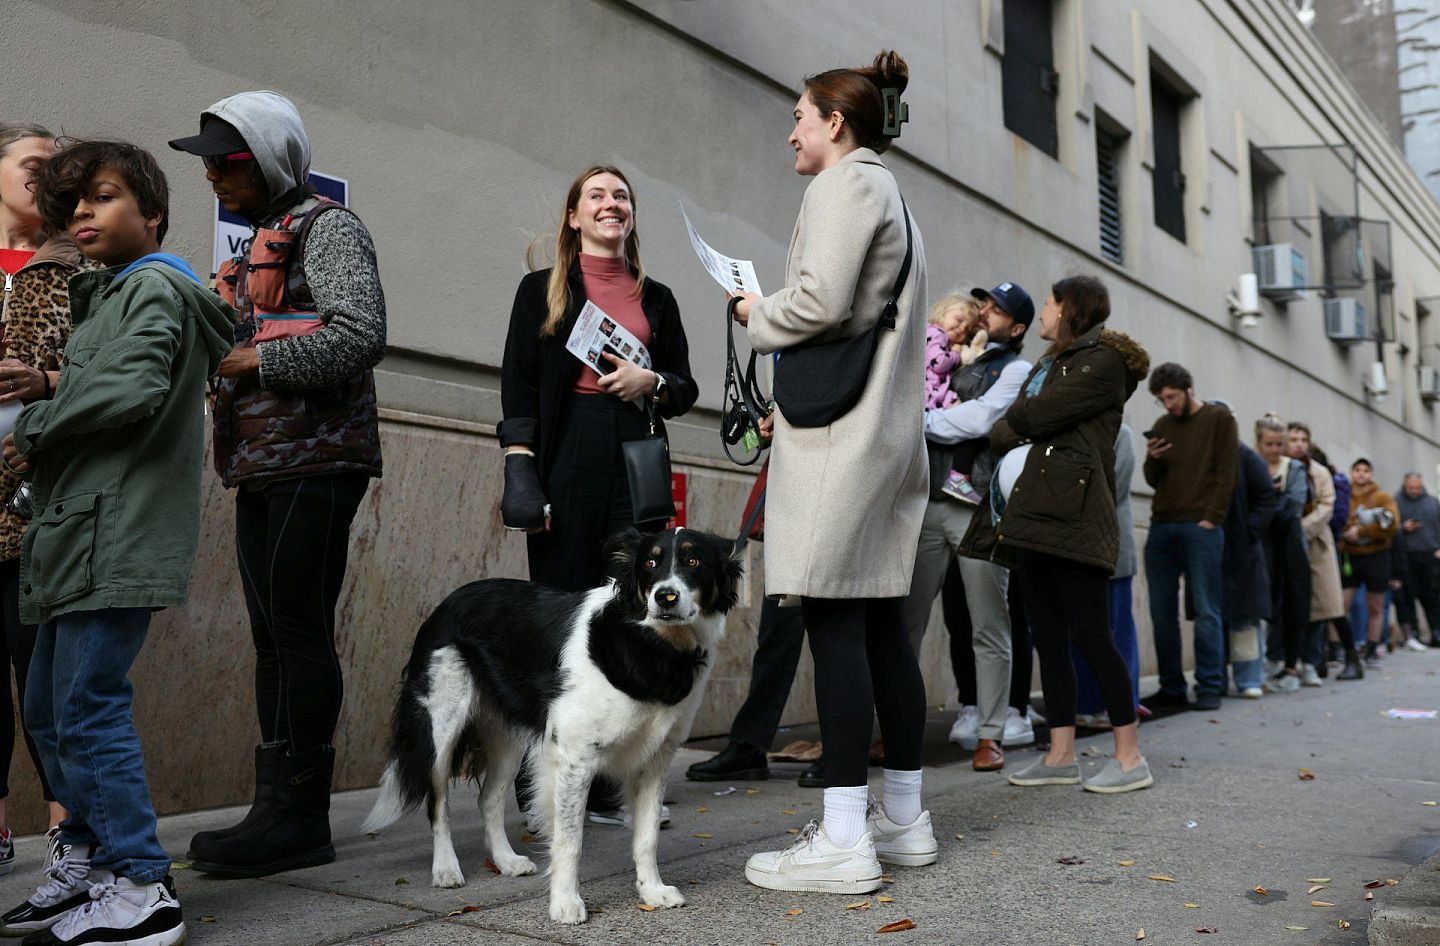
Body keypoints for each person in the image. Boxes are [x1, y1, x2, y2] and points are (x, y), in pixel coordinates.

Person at [0, 138, 233, 946]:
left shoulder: (156, 287)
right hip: (81, 534)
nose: (82, 215)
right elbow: (118, 375)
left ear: (153, 213)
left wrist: (34, 420)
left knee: (87, 708)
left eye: (101, 197)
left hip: (116, 535)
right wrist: (56, 382)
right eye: (72, 206)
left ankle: (143, 885)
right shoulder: (113, 295)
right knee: (48, 708)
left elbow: (134, 386)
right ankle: (97, 862)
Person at [730, 50, 934, 894]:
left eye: (800, 119)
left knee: (834, 624)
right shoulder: (893, 194)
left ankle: (846, 836)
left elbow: (817, 302)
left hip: (842, 445)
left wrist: (752, 311)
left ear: (836, 123)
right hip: (879, 435)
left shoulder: (846, 184)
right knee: (882, 629)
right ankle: (903, 817)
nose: (792, 135)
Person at [168, 91, 387, 877]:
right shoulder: (260, 239)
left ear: (268, 158)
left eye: (227, 162)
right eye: (207, 164)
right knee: (272, 637)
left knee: (297, 630)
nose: (214, 178)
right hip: (264, 462)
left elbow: (361, 334)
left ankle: (299, 818)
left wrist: (252, 358)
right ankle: (276, 809)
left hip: (317, 461)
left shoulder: (327, 228)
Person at [499, 165, 697, 823]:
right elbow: (519, 384)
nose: (612, 203)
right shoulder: (542, 290)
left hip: (634, 455)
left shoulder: (657, 297)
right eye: (597, 195)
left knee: (630, 615)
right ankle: (546, 780)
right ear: (574, 217)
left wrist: (653, 381)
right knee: (559, 612)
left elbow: (686, 387)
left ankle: (615, 785)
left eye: (622, 195)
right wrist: (521, 468)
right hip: (566, 453)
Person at [961, 275, 1153, 793]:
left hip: (1076, 514)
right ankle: (1060, 755)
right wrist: (1020, 421)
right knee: (1047, 636)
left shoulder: (1104, 362)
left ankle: (1130, 757)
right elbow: (1007, 426)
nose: (1044, 311)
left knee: (1091, 635)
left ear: (1070, 309)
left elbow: (1030, 413)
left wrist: (1022, 420)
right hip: (1032, 513)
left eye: (1049, 302)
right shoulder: (1049, 364)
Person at [910, 281, 1035, 772]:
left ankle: (990, 733)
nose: (984, 311)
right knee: (905, 624)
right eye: (984, 303)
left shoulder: (1016, 368)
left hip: (977, 507)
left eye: (997, 309)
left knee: (989, 623)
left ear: (1017, 326)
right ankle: (898, 731)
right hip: (924, 501)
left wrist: (919, 420)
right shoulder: (949, 349)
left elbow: (980, 420)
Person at [0, 123, 79, 873]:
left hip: (39, 502)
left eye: (60, 168)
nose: (47, 176)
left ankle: (68, 828)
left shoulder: (75, 267)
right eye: (32, 163)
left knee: (47, 680)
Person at [1142, 363, 1238, 712]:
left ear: (1188, 388)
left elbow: (1228, 471)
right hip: (1162, 524)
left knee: (1206, 608)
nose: (1168, 405)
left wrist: (1212, 519)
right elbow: (1153, 480)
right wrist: (1153, 459)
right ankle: (1172, 687)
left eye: (1171, 396)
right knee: (1161, 610)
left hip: (1201, 526)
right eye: (1161, 399)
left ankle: (1210, 684)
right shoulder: (1163, 426)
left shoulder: (1218, 419)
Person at [1073, 424, 1143, 724]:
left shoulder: (1122, 433)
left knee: (1116, 630)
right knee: (1082, 633)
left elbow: (1114, 489)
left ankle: (1120, 707)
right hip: (1078, 548)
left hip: (1112, 546)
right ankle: (1086, 704)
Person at [1286, 423, 1357, 678]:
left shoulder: (1319, 472)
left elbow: (1327, 506)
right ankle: (1307, 663)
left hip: (1318, 543)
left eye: (1303, 439)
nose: (1298, 444)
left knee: (1331, 605)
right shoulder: (1279, 468)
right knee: (1299, 607)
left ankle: (1352, 658)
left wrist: (1300, 530)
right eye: (1293, 438)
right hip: (1287, 545)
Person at [1254, 414, 1311, 690]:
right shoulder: (1252, 466)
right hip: (1261, 545)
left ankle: (1291, 665)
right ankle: (1265, 664)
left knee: (1292, 603)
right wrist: (1273, 499)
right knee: (1264, 604)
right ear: (1259, 443)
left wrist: (1267, 502)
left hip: (1290, 547)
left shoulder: (1295, 469)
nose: (1276, 450)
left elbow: (1293, 508)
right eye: (1270, 444)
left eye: (1280, 444)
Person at [1220, 435, 1279, 698]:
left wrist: (1248, 532)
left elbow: (1266, 498)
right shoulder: (1200, 453)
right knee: (1213, 614)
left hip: (1242, 548)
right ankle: (1215, 678)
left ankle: (1248, 678)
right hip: (1214, 545)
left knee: (1245, 617)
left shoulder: (1247, 458)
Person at [923, 293, 986, 503]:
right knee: (972, 425)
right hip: (929, 399)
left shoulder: (943, 339)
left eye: (966, 330)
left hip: (937, 397)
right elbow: (938, 363)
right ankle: (958, 476)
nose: (961, 329)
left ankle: (958, 476)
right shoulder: (935, 332)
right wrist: (960, 357)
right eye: (959, 321)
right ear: (943, 311)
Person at [1339, 458, 1400, 667]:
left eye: (1365, 470)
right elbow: (1338, 519)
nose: (1361, 474)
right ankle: (1337, 648)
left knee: (1376, 606)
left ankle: (1372, 649)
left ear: (1371, 474)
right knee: (1340, 604)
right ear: (1352, 473)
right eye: (1357, 470)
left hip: (1376, 556)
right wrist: (1347, 533)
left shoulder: (1382, 497)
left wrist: (1363, 531)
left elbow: (1392, 525)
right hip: (1350, 556)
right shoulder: (1344, 496)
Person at [1392, 472, 1440, 648]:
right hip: (1406, 556)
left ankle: (1436, 631)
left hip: (1431, 555)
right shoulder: (1395, 502)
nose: (1415, 491)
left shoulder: (1432, 501)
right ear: (1405, 486)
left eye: (1418, 487)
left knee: (1433, 597)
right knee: (1408, 597)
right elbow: (1389, 527)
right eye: (1411, 488)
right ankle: (1413, 634)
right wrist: (1403, 527)